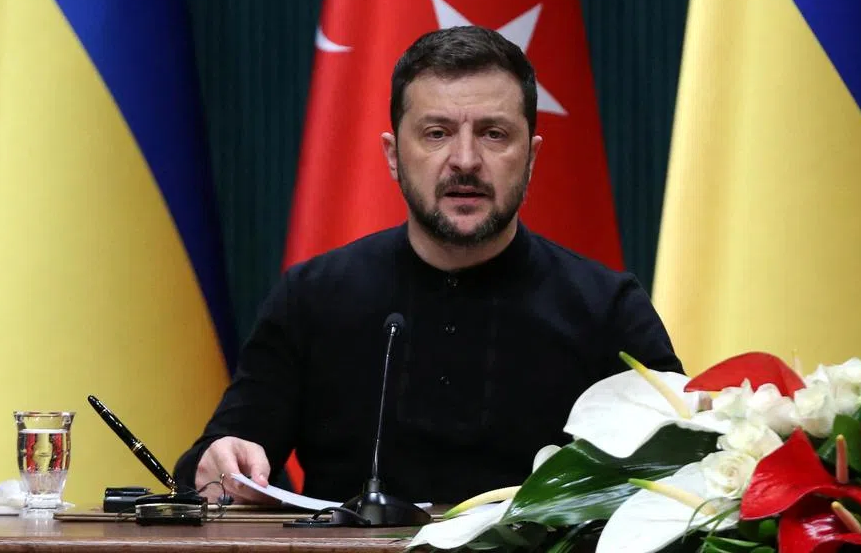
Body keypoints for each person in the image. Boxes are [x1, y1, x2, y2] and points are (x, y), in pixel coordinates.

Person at [173, 25, 682, 505]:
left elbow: (684, 476)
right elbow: (218, 460)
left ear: (531, 157)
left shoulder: (606, 308)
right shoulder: (312, 296)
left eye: (493, 134)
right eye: (436, 133)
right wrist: (219, 463)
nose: (464, 160)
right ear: (394, 155)